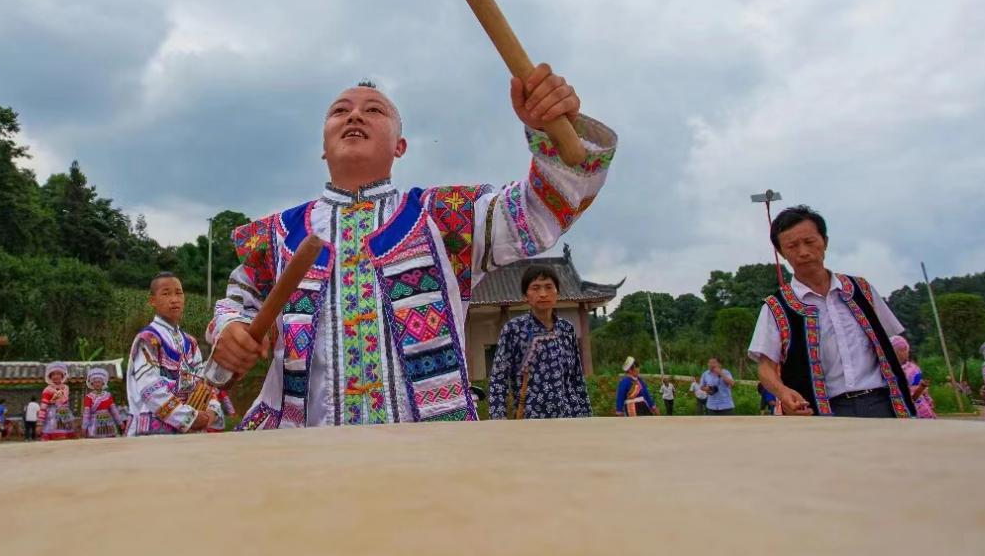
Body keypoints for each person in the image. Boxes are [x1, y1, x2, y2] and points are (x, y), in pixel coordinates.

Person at [208, 72, 616, 429]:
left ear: (400, 146)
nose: (354, 116)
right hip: (305, 453)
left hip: (429, 453)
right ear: (323, 146)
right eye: (340, 111)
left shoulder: (445, 218)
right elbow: (239, 302)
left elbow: (539, 211)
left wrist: (555, 129)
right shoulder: (278, 235)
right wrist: (229, 330)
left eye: (373, 111)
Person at [748, 205, 915, 419]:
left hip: (882, 403)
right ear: (781, 253)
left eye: (810, 242)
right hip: (821, 410)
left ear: (824, 242)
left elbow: (892, 341)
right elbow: (766, 367)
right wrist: (783, 392)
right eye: (792, 246)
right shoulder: (776, 307)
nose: (803, 252)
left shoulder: (861, 290)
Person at [487, 265, 592, 420]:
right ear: (525, 296)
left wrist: (587, 416)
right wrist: (498, 420)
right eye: (535, 288)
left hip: (569, 417)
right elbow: (498, 378)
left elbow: (577, 378)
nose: (543, 294)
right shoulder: (513, 329)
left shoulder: (566, 329)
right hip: (531, 419)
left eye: (549, 287)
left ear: (558, 293)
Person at [127, 272, 216, 435]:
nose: (174, 299)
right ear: (152, 300)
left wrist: (211, 410)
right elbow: (150, 389)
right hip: (153, 433)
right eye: (166, 294)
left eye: (178, 293)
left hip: (188, 432)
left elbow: (204, 382)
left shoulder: (191, 342)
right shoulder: (148, 339)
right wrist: (189, 418)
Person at [890, 336, 937, 419]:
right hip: (903, 408)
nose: (904, 353)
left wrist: (922, 389)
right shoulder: (889, 370)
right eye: (900, 350)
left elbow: (915, 394)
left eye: (905, 350)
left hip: (918, 409)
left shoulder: (912, 369)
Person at [82, 367, 126, 438]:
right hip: (94, 425)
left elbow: (114, 410)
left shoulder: (108, 395)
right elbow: (86, 413)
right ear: (92, 384)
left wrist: (120, 422)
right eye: (95, 382)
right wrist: (84, 427)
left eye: (99, 382)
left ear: (102, 383)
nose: (97, 384)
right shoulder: (88, 397)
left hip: (108, 424)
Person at [38, 362, 77, 441]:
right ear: (50, 376)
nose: (56, 376)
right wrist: (39, 423)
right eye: (53, 374)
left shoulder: (66, 388)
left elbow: (66, 402)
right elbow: (43, 407)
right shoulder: (47, 390)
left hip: (66, 416)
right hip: (52, 417)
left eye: (58, 374)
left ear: (62, 375)